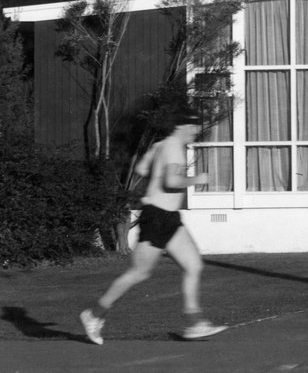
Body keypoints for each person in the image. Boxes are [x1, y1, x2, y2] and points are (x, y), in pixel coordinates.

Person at [80, 109, 226, 344]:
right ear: (182, 127)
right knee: (139, 272)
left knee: (193, 265)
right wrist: (197, 180)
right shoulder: (173, 147)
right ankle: (94, 315)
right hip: (157, 217)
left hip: (168, 218)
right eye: (193, 129)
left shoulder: (161, 145)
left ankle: (194, 323)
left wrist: (155, 169)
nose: (195, 134)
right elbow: (171, 182)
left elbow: (140, 169)